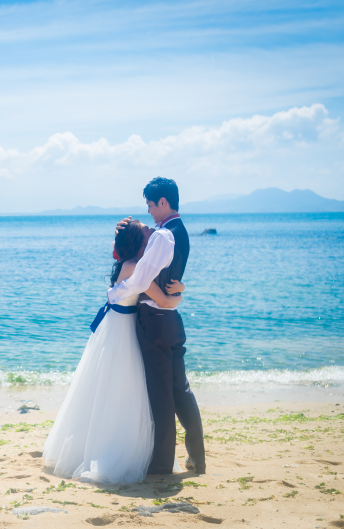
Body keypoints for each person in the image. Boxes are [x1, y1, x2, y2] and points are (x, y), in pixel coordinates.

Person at [42, 219, 184, 484]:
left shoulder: (125, 265)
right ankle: (119, 450)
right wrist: (181, 294)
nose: (147, 244)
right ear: (138, 245)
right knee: (125, 390)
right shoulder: (134, 268)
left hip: (115, 325)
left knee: (103, 389)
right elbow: (164, 300)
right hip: (125, 329)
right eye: (144, 241)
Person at [108, 177, 206, 475]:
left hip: (155, 322)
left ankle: (162, 465)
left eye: (151, 204)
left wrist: (116, 293)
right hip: (171, 321)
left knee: (162, 396)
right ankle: (197, 458)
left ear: (163, 202)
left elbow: (139, 278)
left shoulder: (163, 236)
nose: (149, 210)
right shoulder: (181, 232)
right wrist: (173, 296)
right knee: (181, 392)